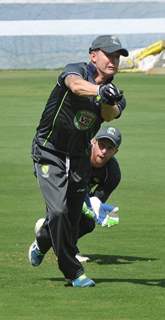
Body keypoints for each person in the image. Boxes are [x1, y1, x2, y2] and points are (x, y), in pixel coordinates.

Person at [28, 35, 128, 288]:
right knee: (58, 211)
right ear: (93, 55)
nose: (114, 60)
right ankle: (73, 271)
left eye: (118, 57)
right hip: (49, 149)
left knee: (72, 217)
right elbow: (74, 85)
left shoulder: (115, 93)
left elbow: (109, 114)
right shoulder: (77, 70)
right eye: (109, 54)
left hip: (80, 155)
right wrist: (99, 90)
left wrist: (109, 98)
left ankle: (42, 240)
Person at [33, 126, 122, 263]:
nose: (104, 151)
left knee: (88, 222)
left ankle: (47, 232)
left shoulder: (113, 174)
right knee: (65, 211)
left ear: (115, 152)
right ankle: (60, 246)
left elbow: (95, 201)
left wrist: (97, 207)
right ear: (93, 142)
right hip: (57, 180)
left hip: (79, 191)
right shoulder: (79, 155)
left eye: (109, 148)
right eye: (101, 145)